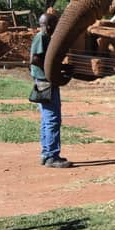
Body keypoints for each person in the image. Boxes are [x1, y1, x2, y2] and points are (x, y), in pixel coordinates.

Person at [30, 10, 72, 168]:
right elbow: (35, 59)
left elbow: (45, 59)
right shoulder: (41, 37)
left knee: (47, 119)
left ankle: (46, 153)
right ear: (48, 25)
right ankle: (52, 157)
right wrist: (52, 70)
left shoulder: (46, 37)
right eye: (55, 24)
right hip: (45, 82)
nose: (57, 27)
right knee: (52, 119)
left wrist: (61, 67)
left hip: (45, 81)